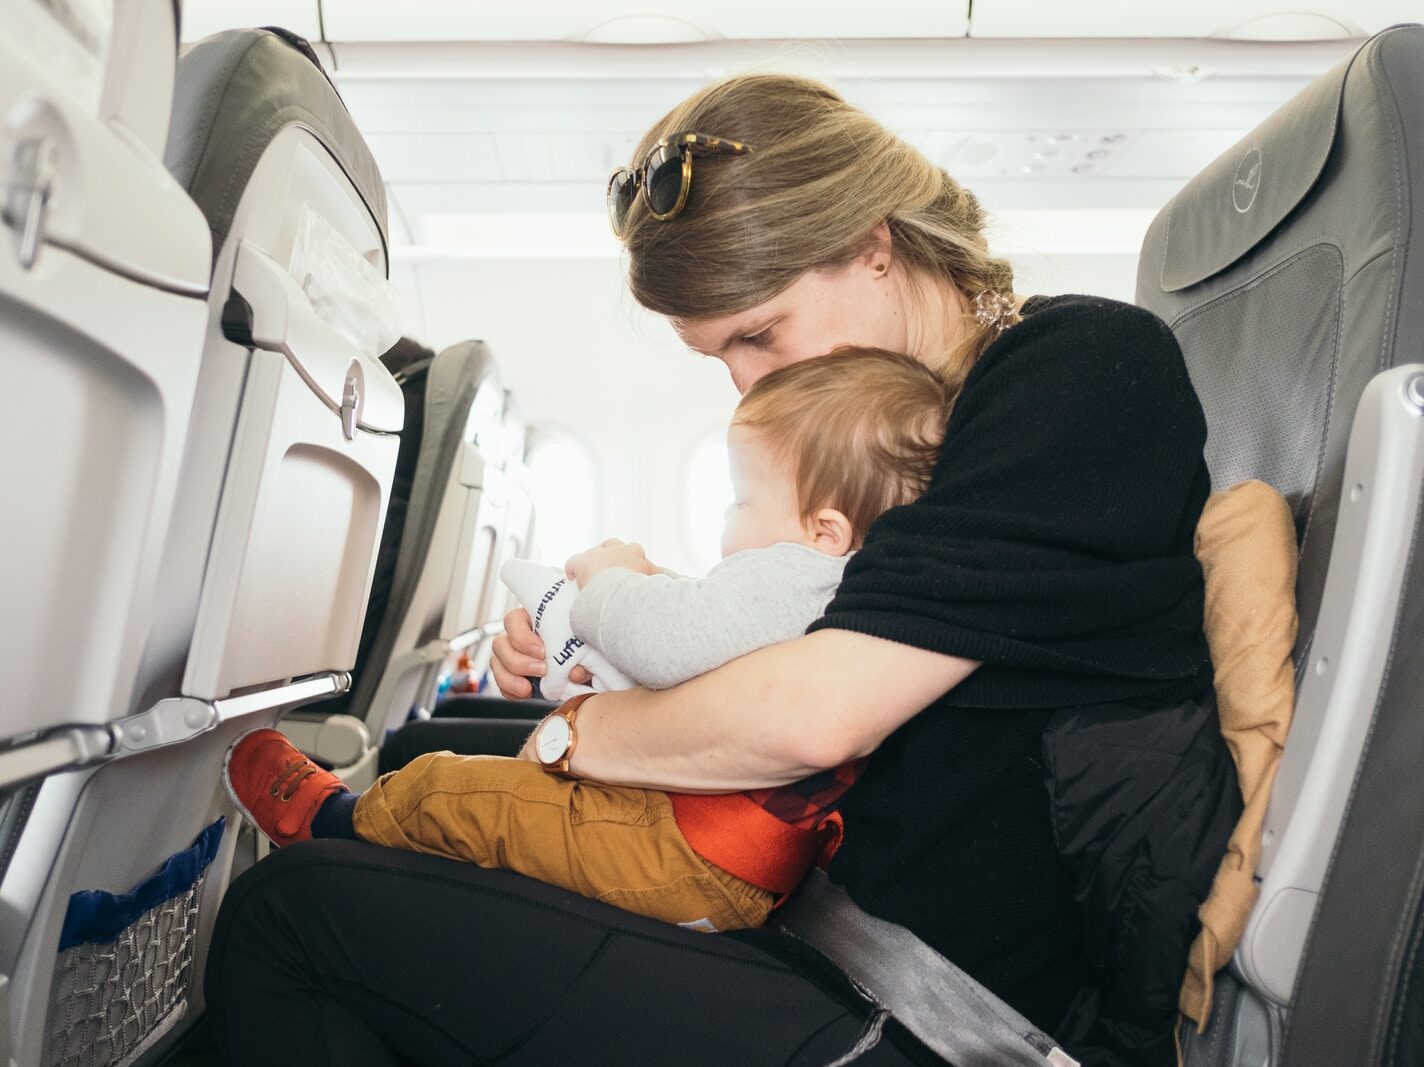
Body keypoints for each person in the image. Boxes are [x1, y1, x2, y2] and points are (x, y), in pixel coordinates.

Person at [205, 73, 1240, 1066]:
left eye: (758, 332)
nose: (746, 380)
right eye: (719, 357)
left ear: (872, 246)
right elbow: (805, 623)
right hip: (803, 923)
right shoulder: (904, 426)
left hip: (920, 1014)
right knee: (427, 773)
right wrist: (597, 630)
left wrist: (579, 731)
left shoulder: (1077, 371)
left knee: (288, 915)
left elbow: (812, 715)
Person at [220, 348, 952, 933]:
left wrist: (608, 581)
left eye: (742, 500)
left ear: (824, 527)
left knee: (453, 787)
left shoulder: (798, 572)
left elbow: (672, 641)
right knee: (509, 799)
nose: (730, 521)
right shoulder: (843, 582)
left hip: (684, 850)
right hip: (721, 855)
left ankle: (330, 823)